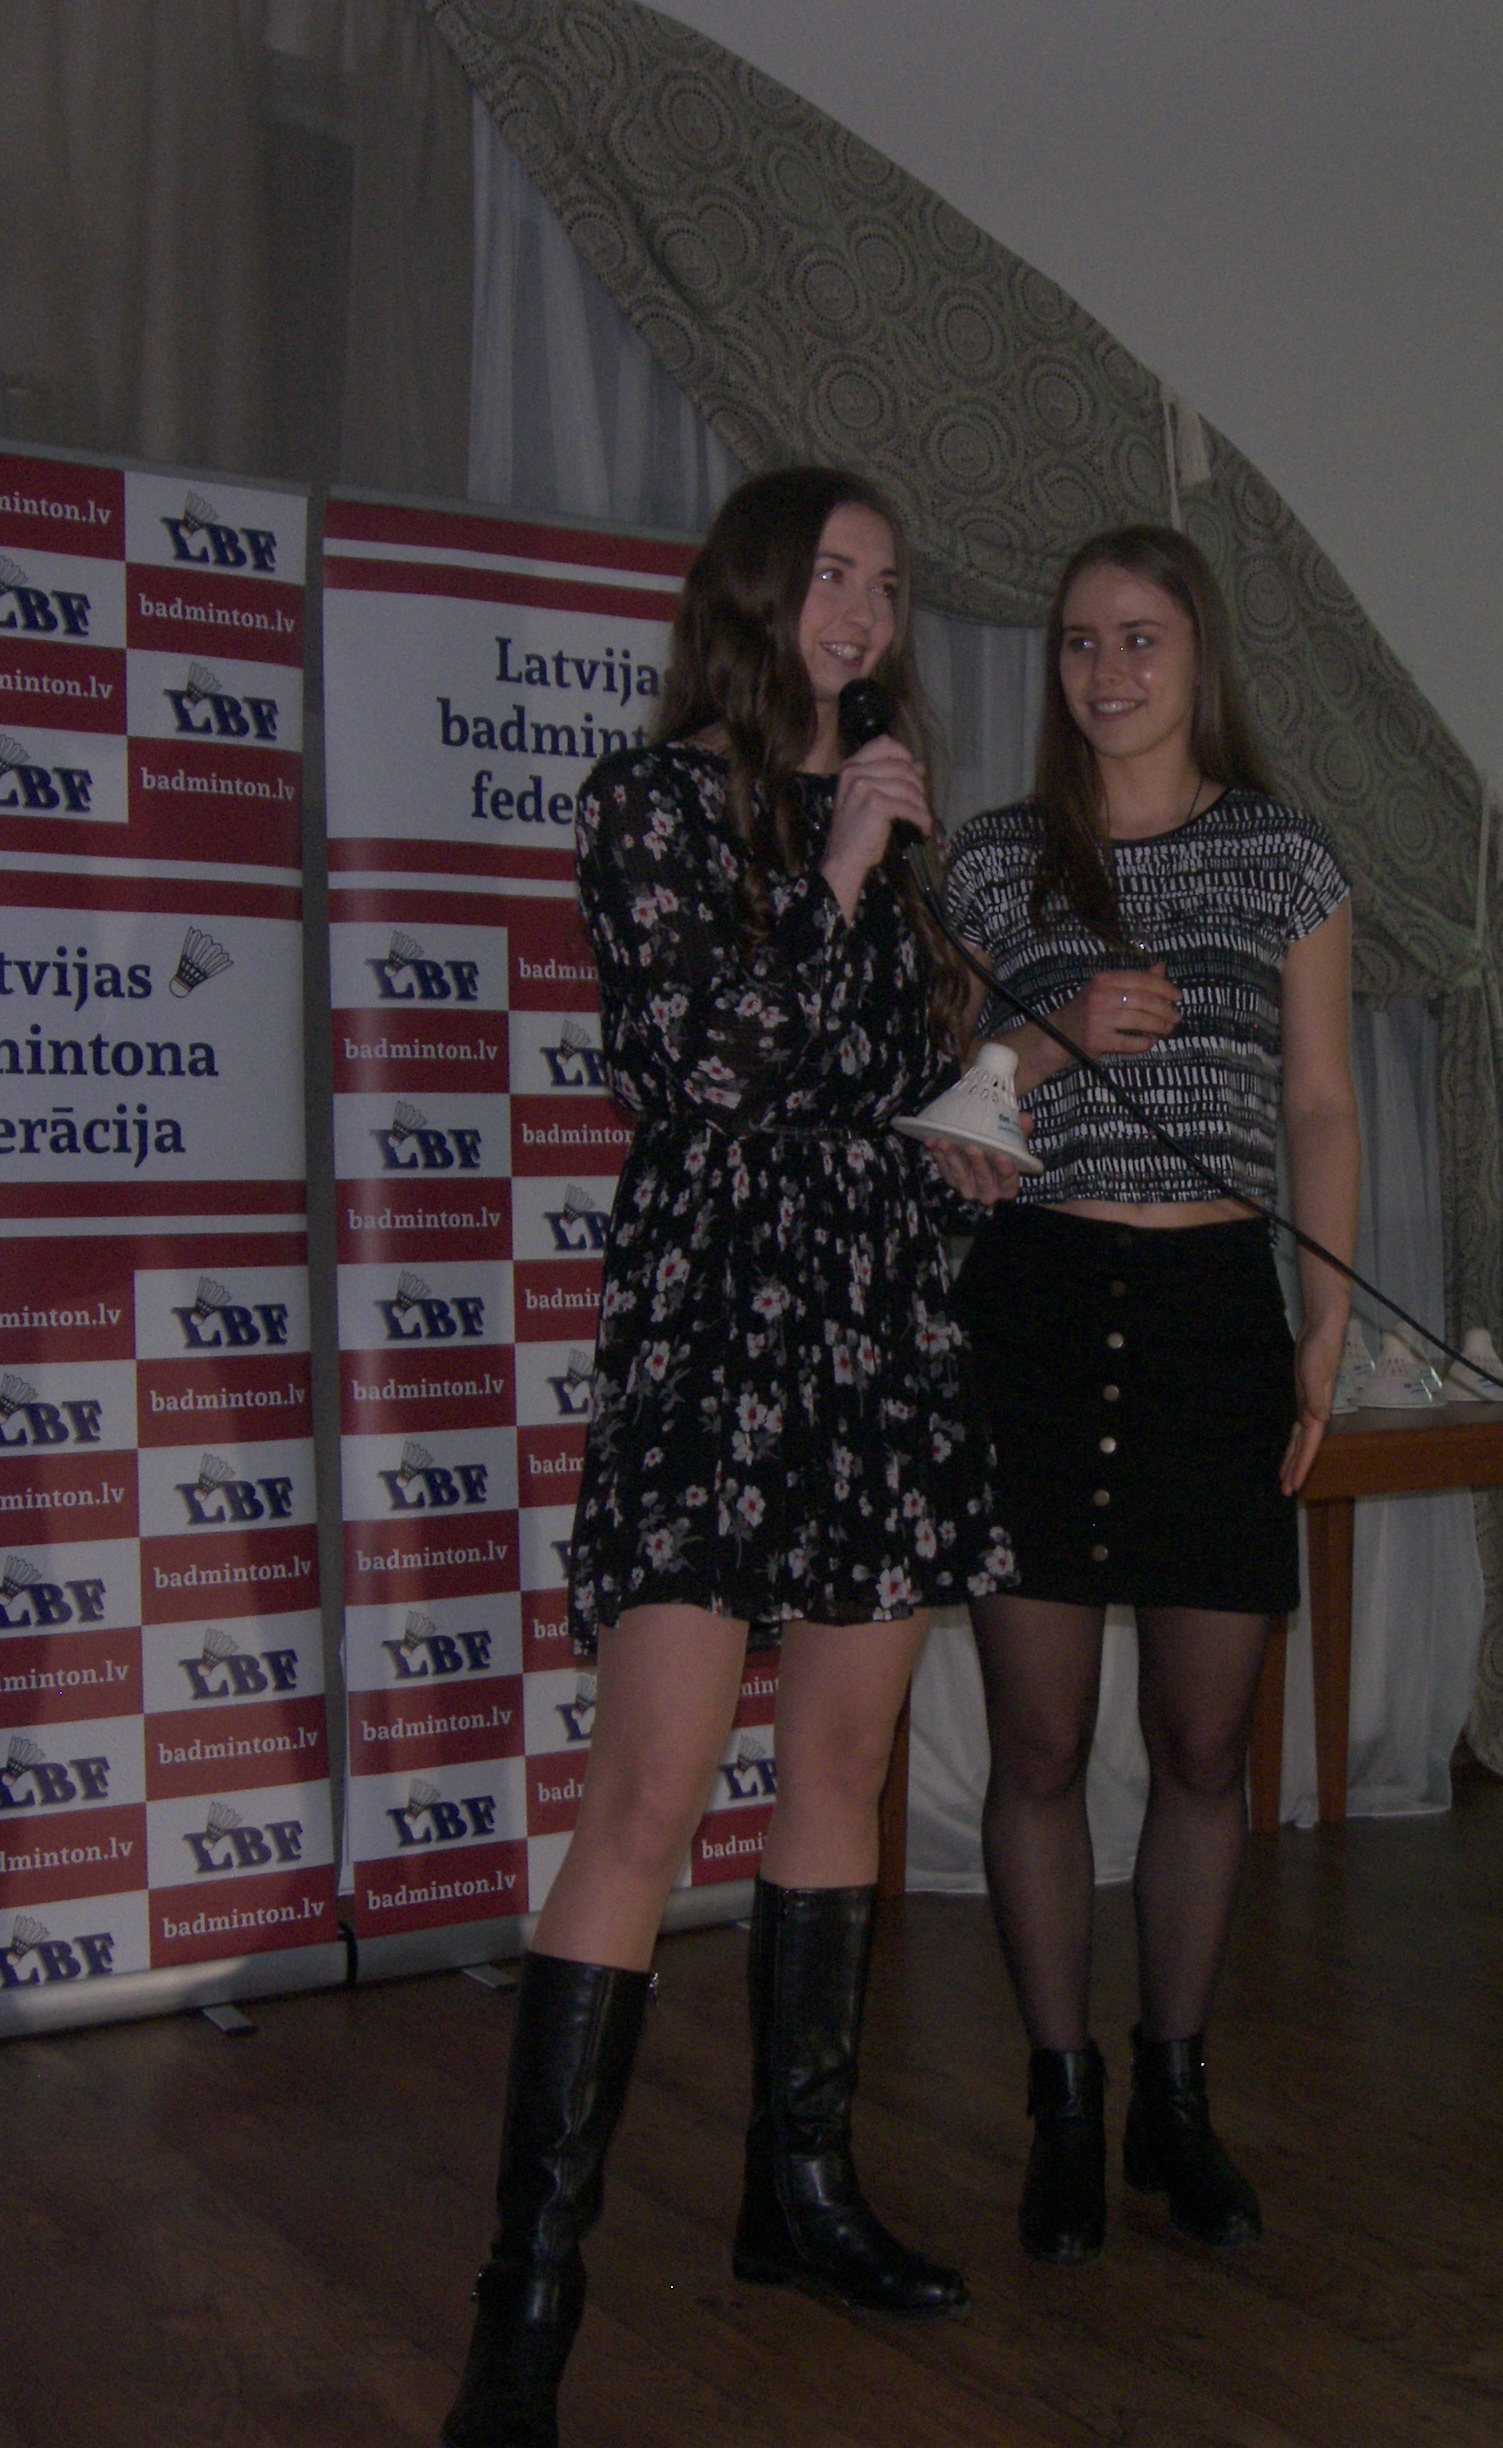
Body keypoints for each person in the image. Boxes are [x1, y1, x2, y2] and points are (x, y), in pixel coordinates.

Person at [443, 466, 1019, 2448]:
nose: (861, 612)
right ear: (754, 595)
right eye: (830, 575)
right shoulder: (650, 805)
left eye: (888, 584)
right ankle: (528, 2293)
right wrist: (839, 873)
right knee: (644, 1796)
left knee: (841, 1766)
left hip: (875, 1331)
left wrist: (965, 1140)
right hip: (715, 1334)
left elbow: (890, 1090)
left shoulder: (899, 835)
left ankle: (802, 2191)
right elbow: (703, 1071)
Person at [942, 524, 1357, 2265]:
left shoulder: (1283, 857)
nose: (1106, 672)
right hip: (1034, 1307)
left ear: (1199, 655)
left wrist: (1321, 1318)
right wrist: (1041, 1045)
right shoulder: (991, 862)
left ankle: (1172, 2094)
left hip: (1211, 1311)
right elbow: (948, 1110)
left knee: (1201, 1746)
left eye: (1140, 638)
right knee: (1037, 1745)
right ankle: (1060, 2096)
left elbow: (1321, 1103)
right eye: (1079, 642)